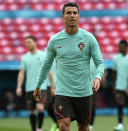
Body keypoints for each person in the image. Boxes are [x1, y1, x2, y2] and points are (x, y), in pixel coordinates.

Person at [33, 2, 105, 131]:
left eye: (74, 13)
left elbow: (99, 63)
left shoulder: (89, 38)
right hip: (63, 93)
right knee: (63, 125)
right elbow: (46, 65)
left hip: (84, 93)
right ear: (62, 16)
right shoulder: (55, 40)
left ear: (78, 16)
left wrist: (97, 77)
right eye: (68, 13)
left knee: (83, 127)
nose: (72, 16)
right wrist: (38, 85)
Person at [16, 35, 54, 131]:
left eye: (29, 42)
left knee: (40, 108)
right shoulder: (24, 58)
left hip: (42, 87)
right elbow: (21, 72)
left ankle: (39, 128)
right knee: (32, 111)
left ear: (35, 42)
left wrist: (52, 86)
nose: (27, 44)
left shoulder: (43, 55)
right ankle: (34, 129)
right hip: (29, 88)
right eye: (26, 43)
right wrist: (19, 87)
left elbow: (49, 71)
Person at [112, 40, 128, 131]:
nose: (119, 48)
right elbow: (114, 73)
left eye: (121, 46)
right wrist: (114, 85)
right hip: (119, 87)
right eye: (118, 46)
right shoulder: (116, 58)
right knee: (120, 105)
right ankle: (120, 125)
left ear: (126, 47)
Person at [89, 59, 107, 131]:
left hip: (93, 87)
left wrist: (103, 79)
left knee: (92, 107)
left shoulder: (98, 60)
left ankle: (90, 126)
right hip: (83, 88)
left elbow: (102, 72)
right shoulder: (83, 57)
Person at [45, 59, 59, 131]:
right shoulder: (46, 56)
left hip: (60, 85)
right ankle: (55, 122)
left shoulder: (61, 55)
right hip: (48, 85)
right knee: (47, 106)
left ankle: (59, 126)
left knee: (59, 107)